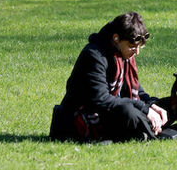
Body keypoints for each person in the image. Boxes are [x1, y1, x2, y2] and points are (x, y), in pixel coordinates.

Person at [50, 12, 170, 142]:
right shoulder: (95, 55)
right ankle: (151, 131)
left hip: (112, 110)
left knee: (170, 104)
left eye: (139, 47)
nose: (137, 52)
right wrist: (144, 109)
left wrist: (151, 105)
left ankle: (149, 129)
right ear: (116, 38)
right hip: (88, 116)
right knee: (128, 112)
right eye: (132, 47)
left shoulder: (124, 56)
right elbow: (102, 100)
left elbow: (138, 93)